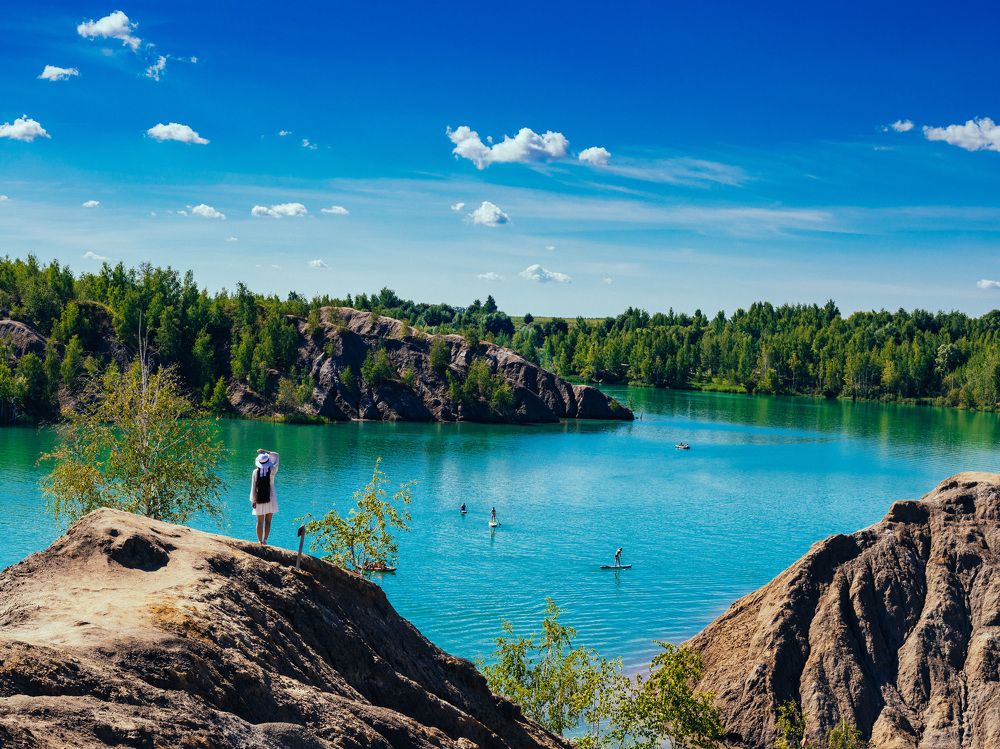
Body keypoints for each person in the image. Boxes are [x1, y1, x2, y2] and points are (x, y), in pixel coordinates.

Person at [250, 449, 280, 545]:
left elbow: (253, 487)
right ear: (268, 461)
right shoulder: (272, 470)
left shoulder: (255, 472)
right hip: (270, 498)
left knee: (260, 522)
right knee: (268, 521)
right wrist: (265, 451)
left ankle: (259, 541)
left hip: (259, 498)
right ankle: (265, 540)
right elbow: (276, 456)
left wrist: (253, 500)